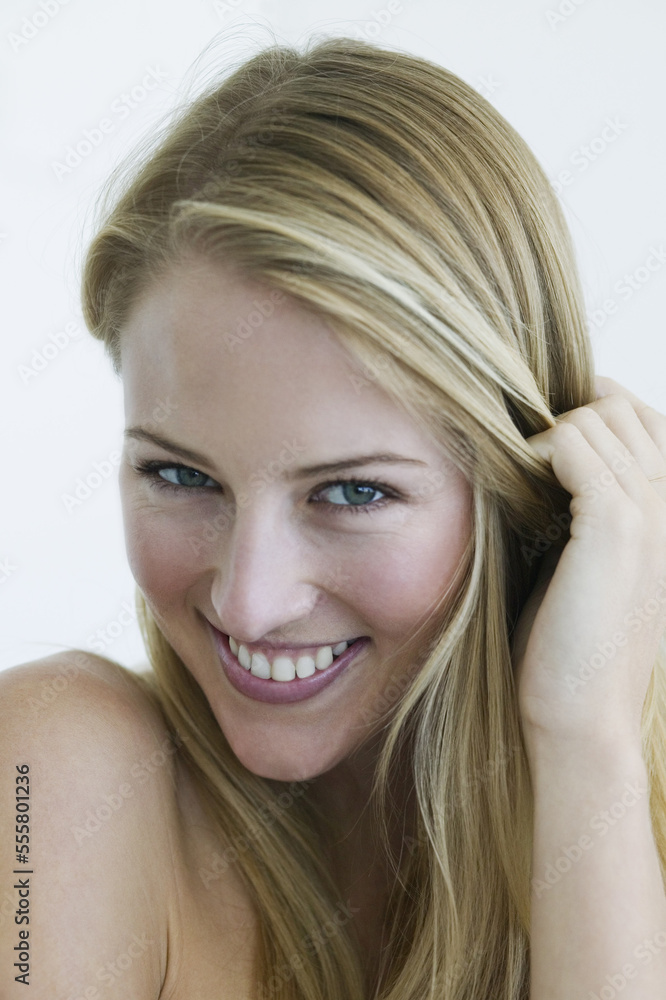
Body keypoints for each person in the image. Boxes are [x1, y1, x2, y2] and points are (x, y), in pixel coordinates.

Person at [2, 35, 666, 1000]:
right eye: (181, 475)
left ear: (524, 492)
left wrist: (584, 736)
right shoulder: (52, 775)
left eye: (353, 492)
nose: (250, 601)